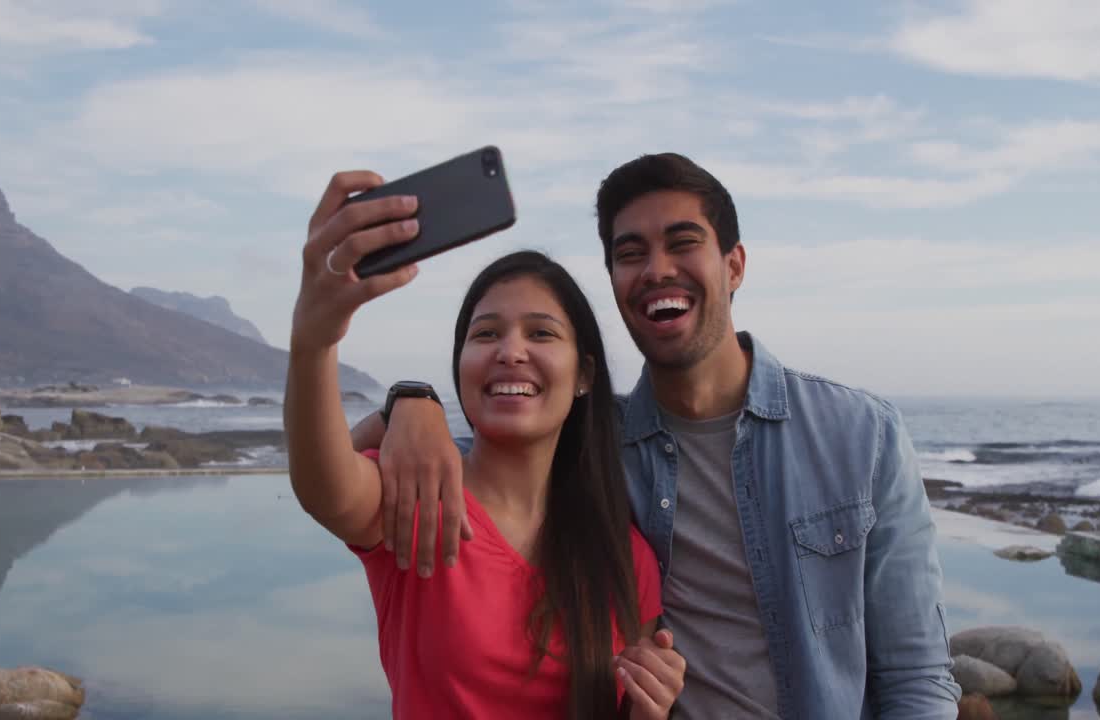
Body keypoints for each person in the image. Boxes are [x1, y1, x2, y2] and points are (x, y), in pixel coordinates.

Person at [354, 154, 963, 718]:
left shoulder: (861, 437)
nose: (656, 270)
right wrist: (407, 402)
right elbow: (446, 473)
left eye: (683, 242)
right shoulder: (591, 443)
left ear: (734, 265)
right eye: (630, 253)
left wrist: (406, 405)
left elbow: (917, 677)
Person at [285, 171, 686, 719]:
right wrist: (314, 339)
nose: (510, 352)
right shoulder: (422, 500)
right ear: (460, 367)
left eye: (541, 333)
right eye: (486, 334)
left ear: (584, 375)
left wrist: (649, 711)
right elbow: (321, 484)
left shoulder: (623, 554)